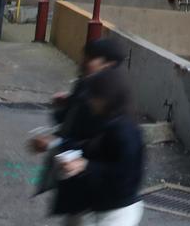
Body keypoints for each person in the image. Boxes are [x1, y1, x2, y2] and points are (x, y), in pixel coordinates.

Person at [31, 38, 127, 211]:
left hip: (92, 190)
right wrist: (67, 104)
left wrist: (54, 142)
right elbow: (69, 118)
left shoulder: (110, 106)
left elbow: (93, 144)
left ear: (108, 65)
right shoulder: (85, 83)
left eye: (90, 58)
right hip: (76, 179)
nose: (83, 62)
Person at [57, 65, 146, 225]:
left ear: (107, 98)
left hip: (118, 212)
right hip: (100, 207)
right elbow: (92, 148)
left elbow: (124, 176)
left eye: (94, 97)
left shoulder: (124, 130)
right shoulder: (110, 122)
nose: (90, 102)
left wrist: (86, 165)